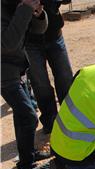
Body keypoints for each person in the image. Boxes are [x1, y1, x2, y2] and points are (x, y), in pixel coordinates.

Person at [1, 0, 51, 169]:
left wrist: (38, 15)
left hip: (17, 68)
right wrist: (25, 8)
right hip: (4, 74)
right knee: (29, 116)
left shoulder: (16, 6)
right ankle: (26, 166)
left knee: (22, 115)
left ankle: (26, 158)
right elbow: (7, 44)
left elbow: (39, 30)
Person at [25, 0, 73, 134]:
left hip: (54, 35)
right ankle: (50, 122)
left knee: (65, 79)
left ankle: (71, 119)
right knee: (41, 85)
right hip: (29, 41)